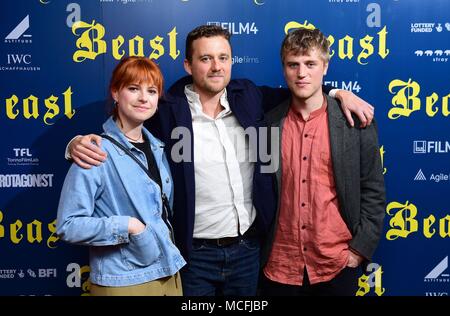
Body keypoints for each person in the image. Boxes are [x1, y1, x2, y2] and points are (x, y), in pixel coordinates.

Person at [65, 25, 375, 296]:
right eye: (205, 58)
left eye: (223, 58)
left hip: (248, 253)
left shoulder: (249, 97)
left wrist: (339, 93)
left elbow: (303, 88)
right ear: (188, 64)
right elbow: (129, 122)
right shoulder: (167, 110)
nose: (216, 67)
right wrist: (75, 143)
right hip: (194, 256)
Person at [260, 28, 386, 296]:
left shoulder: (356, 122)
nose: (302, 73)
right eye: (293, 64)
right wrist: (338, 91)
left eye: (310, 64)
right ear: (284, 69)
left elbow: (374, 192)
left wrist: (358, 251)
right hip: (279, 265)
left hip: (336, 265)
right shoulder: (267, 122)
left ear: (325, 66)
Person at [56, 56, 186, 296]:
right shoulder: (95, 150)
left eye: (151, 90)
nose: (143, 98)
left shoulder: (157, 148)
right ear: (116, 93)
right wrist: (129, 226)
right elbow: (68, 225)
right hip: (124, 281)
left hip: (169, 272)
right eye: (133, 89)